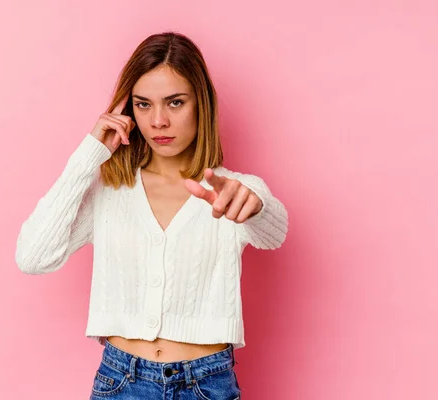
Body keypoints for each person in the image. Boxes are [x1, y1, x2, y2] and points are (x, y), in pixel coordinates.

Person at [15, 31, 288, 399]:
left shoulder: (231, 189)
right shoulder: (109, 189)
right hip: (121, 381)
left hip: (206, 384)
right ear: (128, 110)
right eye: (144, 104)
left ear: (200, 104)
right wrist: (89, 155)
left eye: (175, 103)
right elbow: (32, 257)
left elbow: (274, 232)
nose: (158, 121)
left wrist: (255, 206)